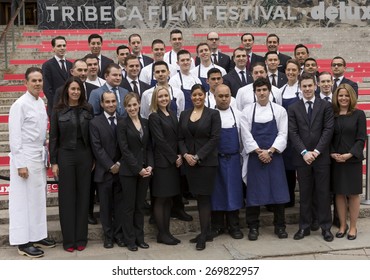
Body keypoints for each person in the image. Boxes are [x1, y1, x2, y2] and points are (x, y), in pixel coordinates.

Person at [8, 67, 56, 258]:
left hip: (37, 155)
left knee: (37, 198)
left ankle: (37, 234)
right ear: (25, 83)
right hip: (25, 157)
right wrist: (20, 163)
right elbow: (15, 136)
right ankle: (22, 241)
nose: (38, 84)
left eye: (40, 80)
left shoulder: (39, 102)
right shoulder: (19, 104)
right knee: (23, 201)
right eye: (34, 81)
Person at [240, 77, 290, 241]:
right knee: (253, 194)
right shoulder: (247, 111)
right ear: (254, 92)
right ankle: (253, 227)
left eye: (264, 90)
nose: (261, 93)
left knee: (278, 192)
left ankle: (280, 226)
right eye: (258, 90)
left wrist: (270, 151)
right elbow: (245, 135)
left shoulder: (280, 111)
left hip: (274, 157)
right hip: (255, 157)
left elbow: (283, 134)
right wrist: (258, 151)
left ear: (269, 91)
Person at [288, 72, 335, 242]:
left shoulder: (326, 106)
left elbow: (328, 130)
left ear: (316, 86)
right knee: (305, 194)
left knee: (323, 194)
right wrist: (304, 152)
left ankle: (325, 228)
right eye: (304, 86)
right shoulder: (293, 108)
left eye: (310, 85)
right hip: (302, 158)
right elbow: (292, 132)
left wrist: (316, 151)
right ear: (300, 88)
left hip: (321, 158)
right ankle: (304, 227)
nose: (307, 89)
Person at [49, 76, 94, 252]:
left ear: (82, 91)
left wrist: (94, 158)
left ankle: (81, 238)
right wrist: (53, 161)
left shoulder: (87, 108)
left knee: (84, 197)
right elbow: (53, 137)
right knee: (67, 198)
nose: (75, 92)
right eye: (72, 89)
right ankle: (69, 240)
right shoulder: (58, 109)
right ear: (67, 90)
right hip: (65, 156)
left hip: (85, 155)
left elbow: (92, 136)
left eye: (78, 89)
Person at [178, 84, 221, 250]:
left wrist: (198, 156)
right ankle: (205, 231)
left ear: (205, 96)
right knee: (197, 197)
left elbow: (215, 139)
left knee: (204, 198)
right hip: (189, 163)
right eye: (194, 95)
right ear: (190, 97)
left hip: (206, 163)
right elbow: (180, 138)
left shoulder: (213, 114)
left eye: (200, 95)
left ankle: (204, 235)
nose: (197, 97)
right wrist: (186, 154)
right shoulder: (184, 114)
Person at [117, 93, 154, 251]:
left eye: (134, 105)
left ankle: (140, 238)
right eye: (129, 106)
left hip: (145, 170)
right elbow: (124, 150)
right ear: (125, 107)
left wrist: (150, 166)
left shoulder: (146, 123)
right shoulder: (122, 124)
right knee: (129, 207)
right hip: (129, 172)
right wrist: (138, 169)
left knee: (140, 206)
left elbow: (149, 147)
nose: (132, 108)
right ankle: (130, 239)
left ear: (139, 105)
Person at [331, 84, 366, 240]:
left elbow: (361, 138)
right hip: (336, 160)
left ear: (351, 97)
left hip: (352, 160)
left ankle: (352, 227)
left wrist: (349, 154)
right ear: (336, 97)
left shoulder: (359, 114)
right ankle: (342, 225)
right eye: (340, 95)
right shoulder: (332, 114)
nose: (343, 98)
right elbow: (328, 136)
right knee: (339, 193)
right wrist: (333, 153)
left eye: (346, 95)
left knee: (352, 194)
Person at [89, 91, 125, 249]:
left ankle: (118, 235)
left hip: (122, 171)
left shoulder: (124, 121)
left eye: (113, 101)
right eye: (107, 102)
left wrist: (119, 164)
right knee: (105, 207)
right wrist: (111, 165)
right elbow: (97, 148)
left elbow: (127, 147)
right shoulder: (95, 122)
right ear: (102, 104)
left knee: (119, 206)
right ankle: (108, 236)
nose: (111, 104)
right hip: (104, 172)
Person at [148, 86, 183, 245]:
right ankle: (162, 233)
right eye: (160, 96)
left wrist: (180, 155)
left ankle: (167, 232)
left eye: (165, 96)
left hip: (174, 161)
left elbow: (177, 138)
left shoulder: (173, 114)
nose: (163, 99)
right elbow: (160, 141)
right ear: (156, 99)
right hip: (163, 163)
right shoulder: (154, 117)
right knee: (161, 199)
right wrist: (173, 157)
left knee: (169, 198)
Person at [211, 84, 244, 239]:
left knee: (234, 193)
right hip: (215, 160)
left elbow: (244, 139)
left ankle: (234, 226)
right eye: (220, 96)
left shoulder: (238, 115)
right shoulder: (209, 114)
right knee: (217, 193)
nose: (224, 99)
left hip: (233, 160)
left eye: (227, 96)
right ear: (214, 96)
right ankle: (217, 226)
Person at [279, 59, 302, 208]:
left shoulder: (303, 89)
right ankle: (290, 197)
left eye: (294, 70)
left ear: (299, 71)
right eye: (289, 70)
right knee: (288, 167)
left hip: (302, 133)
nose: (291, 72)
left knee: (302, 167)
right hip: (287, 134)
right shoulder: (281, 90)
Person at [42, 36, 72, 117]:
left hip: (71, 106)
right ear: (53, 48)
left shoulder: (71, 65)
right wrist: (58, 104)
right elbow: (47, 88)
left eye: (64, 45)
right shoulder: (47, 65)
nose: (62, 48)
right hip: (55, 107)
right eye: (59, 46)